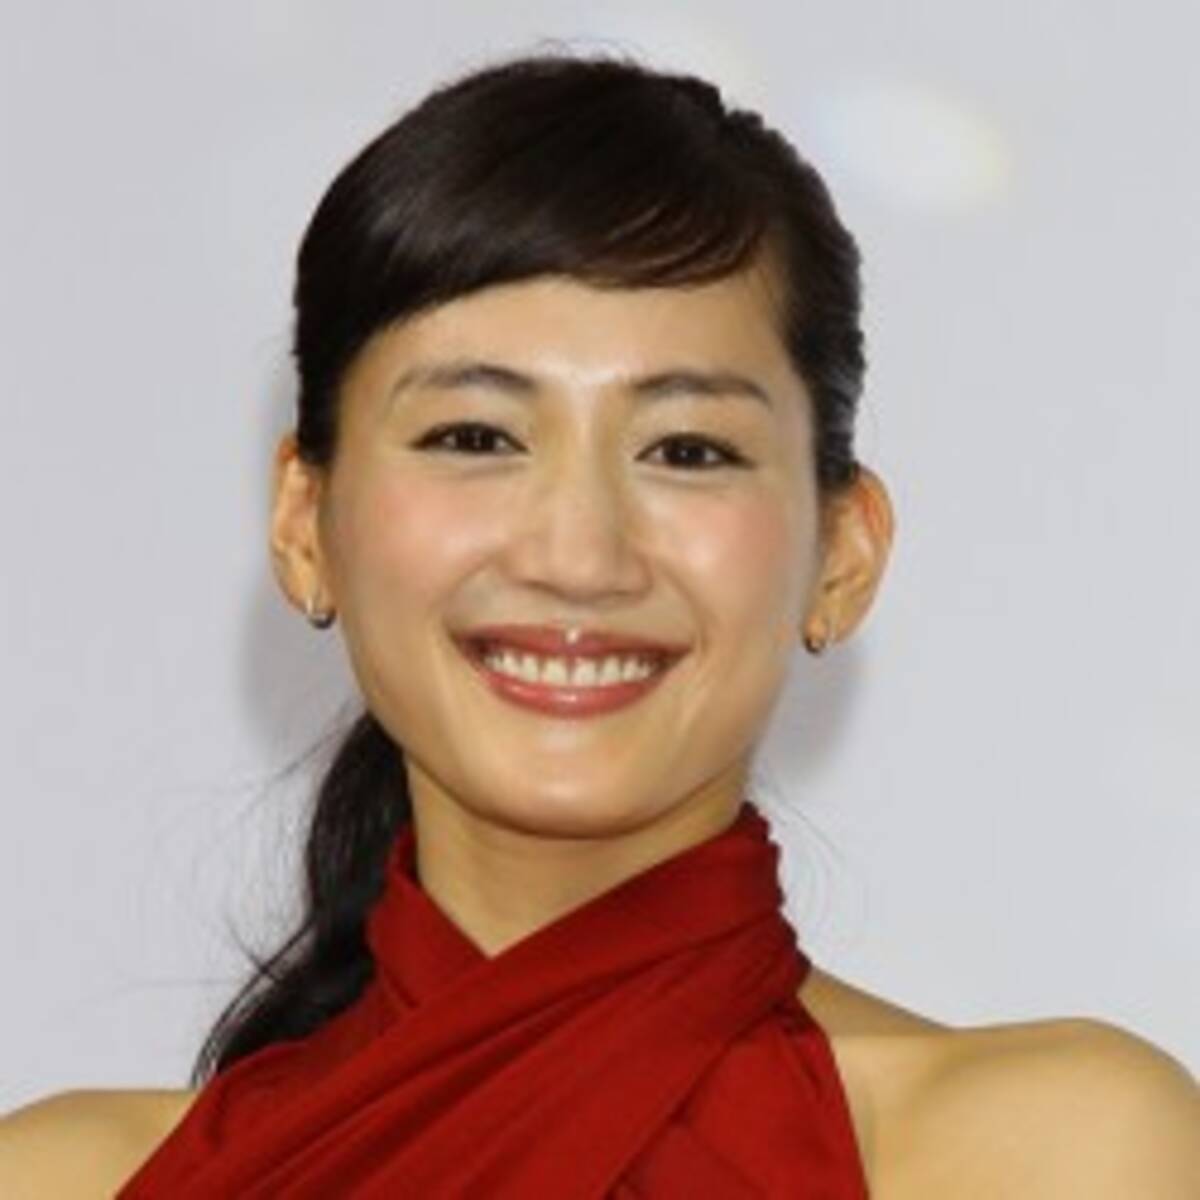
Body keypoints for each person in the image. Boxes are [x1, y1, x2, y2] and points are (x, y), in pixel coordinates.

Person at [2, 49, 1197, 1199]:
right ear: (306, 523)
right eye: (474, 437)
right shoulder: (67, 1177)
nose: (577, 555)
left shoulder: (1063, 1153)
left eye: (688, 451)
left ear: (844, 551)